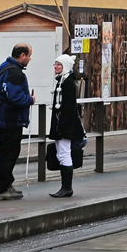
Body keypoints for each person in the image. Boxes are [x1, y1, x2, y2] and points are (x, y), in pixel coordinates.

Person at [0, 43, 35, 199]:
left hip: (1, 119)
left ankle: (6, 185)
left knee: (6, 153)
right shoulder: (16, 73)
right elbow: (14, 97)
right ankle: (2, 188)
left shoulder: (3, 67)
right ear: (22, 56)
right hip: (10, 121)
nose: (30, 59)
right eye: (29, 55)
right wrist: (30, 99)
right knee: (8, 155)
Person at [49, 54, 83, 198]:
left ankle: (67, 187)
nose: (56, 67)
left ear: (66, 66)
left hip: (64, 126)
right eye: (55, 64)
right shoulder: (62, 81)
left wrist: (62, 127)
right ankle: (65, 187)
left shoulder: (67, 83)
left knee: (64, 154)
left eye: (59, 65)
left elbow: (68, 107)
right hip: (62, 124)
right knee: (61, 153)